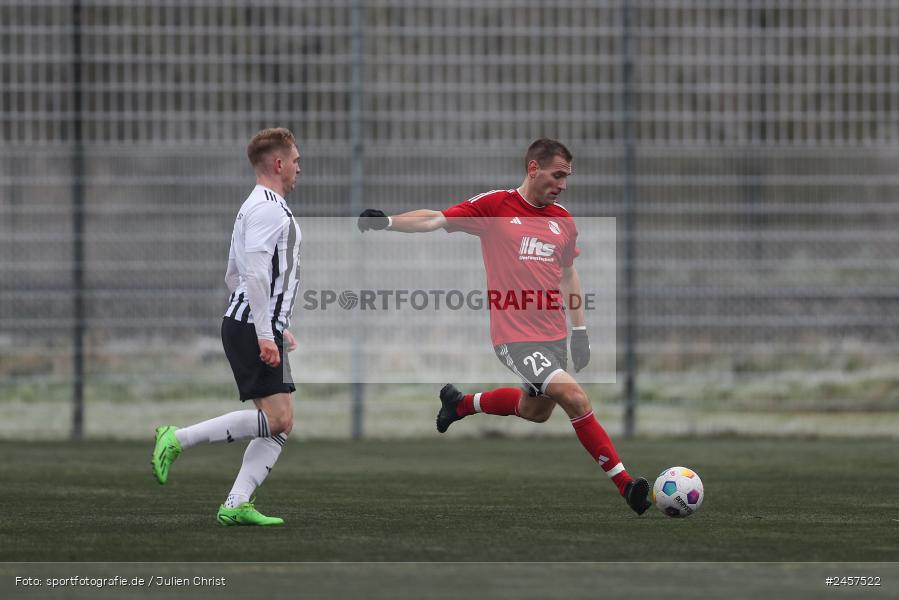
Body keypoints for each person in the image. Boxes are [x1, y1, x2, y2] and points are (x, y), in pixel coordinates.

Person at [357, 138, 651, 515]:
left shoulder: (563, 220)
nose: (562, 184)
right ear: (533, 168)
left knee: (535, 412)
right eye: (557, 175)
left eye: (567, 178)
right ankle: (626, 485)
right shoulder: (496, 206)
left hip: (554, 336)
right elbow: (437, 218)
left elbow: (568, 274)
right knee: (574, 398)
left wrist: (580, 331)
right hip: (515, 339)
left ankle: (461, 404)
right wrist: (389, 222)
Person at [151, 127, 303, 526]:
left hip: (250, 323)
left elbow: (231, 275)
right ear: (278, 163)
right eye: (296, 160)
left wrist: (273, 322)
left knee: (280, 424)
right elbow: (252, 275)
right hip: (251, 327)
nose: (299, 169)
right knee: (279, 420)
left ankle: (235, 504)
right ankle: (177, 438)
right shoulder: (268, 208)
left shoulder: (253, 206)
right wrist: (265, 332)